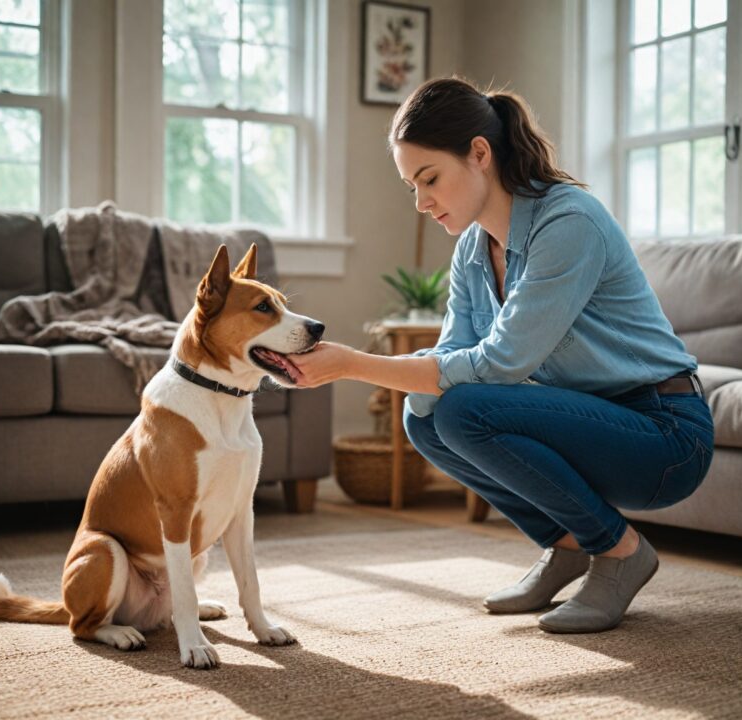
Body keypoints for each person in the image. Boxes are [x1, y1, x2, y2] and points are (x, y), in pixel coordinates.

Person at [289, 77, 714, 634]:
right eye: (411, 187)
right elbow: (452, 353)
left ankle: (620, 554)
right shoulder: (471, 247)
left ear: (480, 154)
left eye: (430, 179)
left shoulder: (568, 221)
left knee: (464, 410)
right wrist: (400, 380)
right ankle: (566, 545)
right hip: (597, 425)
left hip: (664, 436)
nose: (421, 203)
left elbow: (499, 363)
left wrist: (350, 364)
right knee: (423, 417)